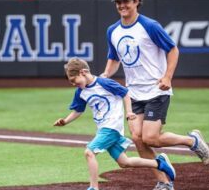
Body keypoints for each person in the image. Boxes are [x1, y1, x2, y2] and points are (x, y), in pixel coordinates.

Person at [101, 0, 209, 190]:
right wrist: (105, 75)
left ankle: (192, 141)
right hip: (133, 92)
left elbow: (173, 49)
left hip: (156, 89)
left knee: (150, 137)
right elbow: (113, 58)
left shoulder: (150, 25)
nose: (122, 5)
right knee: (138, 139)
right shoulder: (112, 31)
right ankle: (164, 182)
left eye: (126, 1)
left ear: (136, 2)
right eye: (118, 2)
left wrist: (167, 77)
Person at [54, 57, 176, 190]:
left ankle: (93, 187)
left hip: (111, 127)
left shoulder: (104, 83)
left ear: (83, 72)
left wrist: (129, 112)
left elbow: (125, 93)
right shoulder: (81, 92)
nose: (73, 84)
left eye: (74, 80)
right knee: (125, 162)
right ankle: (159, 163)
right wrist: (65, 121)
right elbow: (78, 110)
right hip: (103, 129)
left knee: (89, 152)